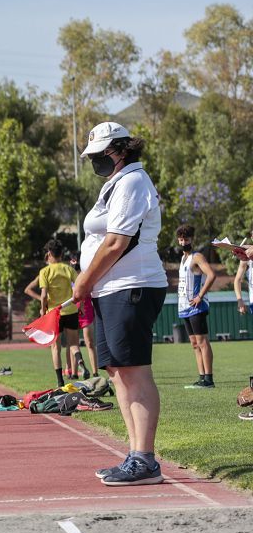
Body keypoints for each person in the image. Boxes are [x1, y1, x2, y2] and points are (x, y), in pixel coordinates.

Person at [73, 122, 168, 487]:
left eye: (99, 155)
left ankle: (145, 458)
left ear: (120, 150)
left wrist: (84, 280)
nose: (95, 161)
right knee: (116, 371)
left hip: (132, 286)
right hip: (109, 289)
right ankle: (135, 454)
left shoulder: (131, 181)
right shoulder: (116, 183)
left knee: (134, 371)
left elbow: (116, 243)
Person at [25, 239, 87, 386]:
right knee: (73, 344)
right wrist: (81, 306)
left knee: (55, 347)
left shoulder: (45, 271)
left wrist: (43, 311)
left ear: (49, 254)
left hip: (55, 313)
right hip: (71, 310)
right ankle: (81, 364)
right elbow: (79, 287)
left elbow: (43, 295)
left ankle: (60, 381)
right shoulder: (68, 269)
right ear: (61, 254)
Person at [176, 224, 216, 389]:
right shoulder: (183, 258)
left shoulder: (197, 256)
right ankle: (201, 378)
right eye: (181, 239)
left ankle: (209, 379)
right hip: (184, 307)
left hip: (196, 307)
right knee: (194, 343)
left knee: (202, 341)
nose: (183, 241)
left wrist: (200, 296)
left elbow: (212, 275)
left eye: (186, 238)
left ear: (192, 239)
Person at [68, 251, 98, 377]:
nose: (74, 262)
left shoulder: (87, 276)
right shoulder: (69, 277)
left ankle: (95, 372)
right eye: (72, 260)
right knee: (73, 343)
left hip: (86, 313)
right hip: (72, 312)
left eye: (75, 260)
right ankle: (74, 373)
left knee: (89, 342)